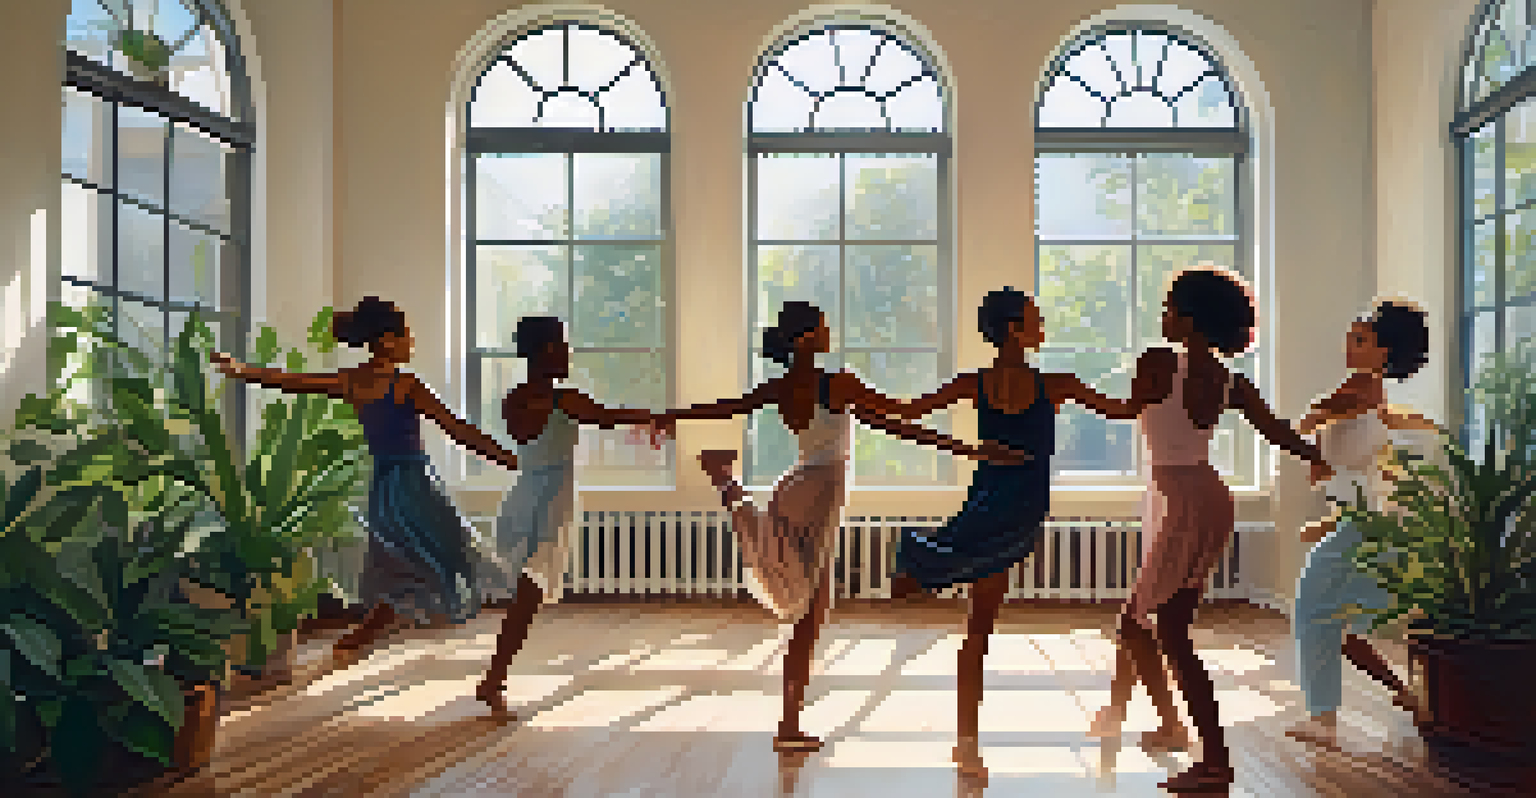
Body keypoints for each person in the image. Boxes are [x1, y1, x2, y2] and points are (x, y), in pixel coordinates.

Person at [646, 300, 1027, 754]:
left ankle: (790, 723)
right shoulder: (838, 383)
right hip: (819, 495)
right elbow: (900, 419)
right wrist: (970, 450)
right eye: (824, 327)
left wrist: (670, 417)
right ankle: (728, 484)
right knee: (810, 612)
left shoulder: (784, 386)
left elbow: (725, 406)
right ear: (808, 337)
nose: (830, 333)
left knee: (810, 611)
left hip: (802, 487)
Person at [1084, 268, 1332, 792]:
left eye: (1169, 307)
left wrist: (1066, 392)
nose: (1162, 315)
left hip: (1179, 498)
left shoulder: (1156, 362)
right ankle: (1177, 730)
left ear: (1190, 319)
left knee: (1161, 631)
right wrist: (1318, 458)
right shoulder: (1228, 380)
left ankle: (1211, 758)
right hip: (1208, 498)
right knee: (1151, 624)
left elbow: (1123, 410)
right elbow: (1277, 431)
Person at [882, 287, 1137, 779]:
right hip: (1003, 504)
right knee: (979, 628)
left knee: (978, 626)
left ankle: (965, 741)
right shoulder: (1041, 384)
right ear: (1014, 329)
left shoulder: (1031, 383)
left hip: (1009, 506)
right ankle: (966, 743)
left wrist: (1163, 378)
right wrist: (968, 450)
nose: (1043, 325)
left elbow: (1126, 410)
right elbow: (904, 414)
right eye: (1035, 319)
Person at [210, 296, 521, 667]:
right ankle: (376, 630)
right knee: (445, 551)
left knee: (402, 558)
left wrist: (241, 370)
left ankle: (368, 631)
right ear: (387, 340)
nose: (411, 342)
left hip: (383, 483)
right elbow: (457, 429)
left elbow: (290, 381)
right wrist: (506, 456)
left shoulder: (352, 381)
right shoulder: (406, 384)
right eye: (407, 335)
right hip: (412, 480)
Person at [476, 316, 669, 718]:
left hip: (522, 496)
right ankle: (494, 679)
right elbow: (607, 416)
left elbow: (537, 432)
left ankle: (495, 678)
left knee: (525, 596)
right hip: (548, 503)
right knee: (527, 597)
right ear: (547, 350)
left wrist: (648, 418)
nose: (568, 352)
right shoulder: (564, 400)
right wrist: (654, 416)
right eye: (563, 345)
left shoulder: (514, 398)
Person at [1286, 299, 1440, 749]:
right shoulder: (1362, 395)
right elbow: (1355, 472)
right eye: (1350, 339)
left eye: (1362, 340)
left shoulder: (1363, 390)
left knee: (1314, 610)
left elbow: (1310, 424)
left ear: (1384, 352)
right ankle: (1408, 697)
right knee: (1344, 624)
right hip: (1360, 519)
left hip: (1368, 523)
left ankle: (1323, 719)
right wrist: (1329, 518)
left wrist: (1312, 427)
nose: (1350, 347)